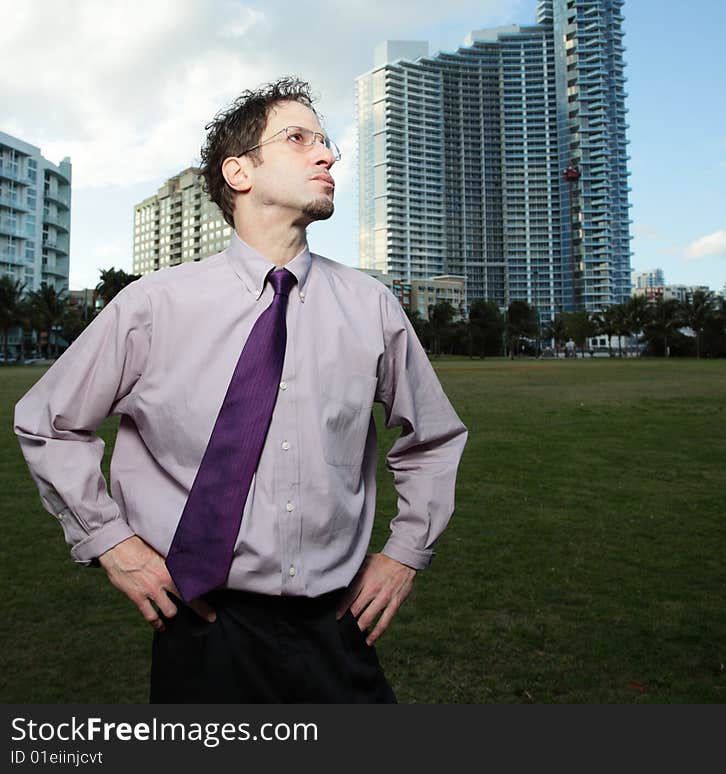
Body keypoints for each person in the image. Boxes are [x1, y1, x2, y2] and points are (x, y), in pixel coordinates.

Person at [14, 76, 467, 703]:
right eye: (298, 138)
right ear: (239, 172)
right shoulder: (154, 305)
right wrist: (112, 543)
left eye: (326, 141)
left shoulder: (372, 307)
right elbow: (48, 422)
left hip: (338, 627)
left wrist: (405, 552)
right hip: (203, 631)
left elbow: (433, 438)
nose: (328, 154)